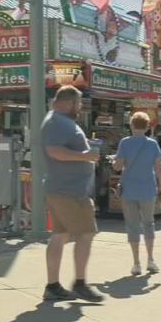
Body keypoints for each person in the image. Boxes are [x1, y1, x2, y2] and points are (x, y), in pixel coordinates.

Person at [40, 85, 104, 302]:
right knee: (86, 233)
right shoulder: (58, 122)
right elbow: (54, 151)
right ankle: (80, 283)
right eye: (78, 103)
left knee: (60, 235)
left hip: (62, 188)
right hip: (70, 191)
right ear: (68, 103)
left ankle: (53, 286)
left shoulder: (56, 120)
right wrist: (86, 156)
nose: (79, 107)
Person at [114, 112, 161, 276]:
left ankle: (136, 263)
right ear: (147, 127)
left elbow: (118, 167)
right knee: (148, 223)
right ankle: (151, 260)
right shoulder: (152, 144)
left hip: (129, 189)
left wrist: (114, 161)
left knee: (132, 225)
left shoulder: (124, 143)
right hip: (148, 189)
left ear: (131, 125)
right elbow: (159, 169)